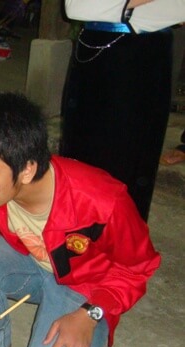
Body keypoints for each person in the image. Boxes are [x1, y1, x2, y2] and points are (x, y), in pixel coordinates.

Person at [0, 92, 161, 347]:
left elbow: (139, 267)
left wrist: (91, 312)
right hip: (32, 262)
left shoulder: (103, 201)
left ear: (28, 170)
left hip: (84, 286)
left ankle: (73, 315)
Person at [60, 0, 183, 222]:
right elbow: (77, 6)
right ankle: (85, 234)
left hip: (154, 49)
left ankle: (125, 238)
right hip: (114, 52)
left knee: (141, 159)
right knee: (100, 156)